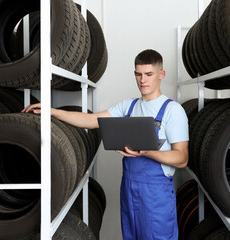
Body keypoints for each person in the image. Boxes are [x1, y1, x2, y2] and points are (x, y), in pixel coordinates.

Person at [22, 49, 189, 240]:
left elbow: (182, 158)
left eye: (149, 74)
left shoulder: (173, 111)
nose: (143, 80)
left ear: (161, 74)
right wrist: (52, 111)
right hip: (129, 188)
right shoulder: (129, 106)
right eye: (138, 74)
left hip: (156, 194)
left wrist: (146, 152)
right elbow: (92, 120)